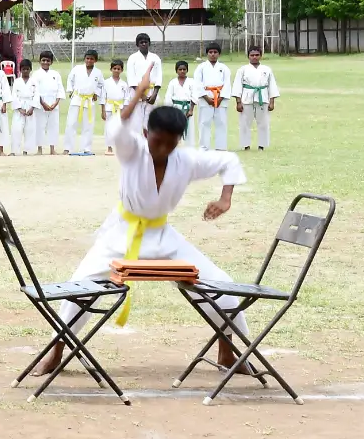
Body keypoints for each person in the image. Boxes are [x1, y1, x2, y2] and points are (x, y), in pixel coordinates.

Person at [34, 64, 248, 376]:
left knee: (223, 287)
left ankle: (227, 350)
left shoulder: (186, 160)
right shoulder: (132, 150)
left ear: (179, 140)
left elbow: (229, 161)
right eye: (157, 141)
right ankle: (57, 350)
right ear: (146, 133)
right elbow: (117, 127)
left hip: (163, 238)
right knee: (76, 288)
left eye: (171, 143)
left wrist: (225, 198)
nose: (163, 149)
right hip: (121, 235)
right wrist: (138, 94)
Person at [232, 46, 280, 150]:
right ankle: (246, 145)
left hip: (262, 97)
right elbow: (237, 86)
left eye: (257, 55)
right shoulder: (242, 70)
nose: (254, 57)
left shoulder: (267, 69)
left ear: (261, 56)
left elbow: (272, 86)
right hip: (247, 98)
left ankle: (262, 145)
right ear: (248, 56)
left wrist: (272, 101)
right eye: (252, 55)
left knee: (263, 123)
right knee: (245, 123)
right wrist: (238, 102)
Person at [65, 50, 105, 156]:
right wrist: (70, 90)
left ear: (95, 60)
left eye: (92, 59)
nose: (89, 60)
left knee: (88, 125)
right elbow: (70, 79)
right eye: (87, 58)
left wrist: (96, 93)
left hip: (89, 100)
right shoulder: (77, 69)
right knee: (71, 123)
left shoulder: (98, 72)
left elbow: (101, 85)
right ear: (84, 59)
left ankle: (86, 148)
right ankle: (68, 148)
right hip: (77, 98)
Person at [123, 32, 163, 135]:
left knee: (150, 123)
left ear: (149, 43)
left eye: (146, 42)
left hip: (152, 93)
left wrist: (154, 94)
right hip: (136, 93)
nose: (144, 44)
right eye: (141, 42)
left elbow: (159, 76)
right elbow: (131, 78)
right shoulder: (133, 58)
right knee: (136, 123)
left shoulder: (155, 58)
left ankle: (148, 144)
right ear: (137, 44)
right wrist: (141, 95)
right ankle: (136, 144)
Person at [194, 42, 231, 151]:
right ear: (207, 54)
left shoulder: (224, 68)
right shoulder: (201, 67)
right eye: (210, 52)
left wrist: (220, 98)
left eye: (215, 52)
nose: (213, 54)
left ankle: (221, 147)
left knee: (221, 123)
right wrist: (206, 98)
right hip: (205, 98)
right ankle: (204, 147)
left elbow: (227, 84)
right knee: (204, 123)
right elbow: (198, 83)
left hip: (220, 98)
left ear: (219, 54)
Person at [35, 51, 65, 155]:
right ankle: (39, 149)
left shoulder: (55, 74)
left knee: (53, 126)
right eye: (43, 60)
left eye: (48, 61)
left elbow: (60, 90)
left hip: (53, 104)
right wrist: (42, 103)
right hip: (40, 105)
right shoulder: (36, 74)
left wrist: (56, 103)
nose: (45, 62)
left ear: (51, 62)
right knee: (39, 126)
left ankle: (52, 149)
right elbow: (35, 91)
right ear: (39, 61)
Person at [163, 59, 197, 146]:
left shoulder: (191, 82)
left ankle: (190, 149)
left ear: (187, 70)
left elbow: (195, 96)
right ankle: (175, 148)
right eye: (180, 69)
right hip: (176, 107)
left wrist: (191, 110)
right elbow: (168, 97)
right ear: (176, 70)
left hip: (187, 107)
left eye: (184, 69)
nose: (182, 71)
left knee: (189, 130)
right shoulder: (173, 82)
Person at [102, 59, 133, 154]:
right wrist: (103, 110)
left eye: (118, 69)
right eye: (114, 68)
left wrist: (125, 109)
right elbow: (103, 97)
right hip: (109, 107)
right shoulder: (106, 82)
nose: (116, 70)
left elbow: (127, 98)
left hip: (120, 107)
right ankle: (109, 146)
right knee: (108, 127)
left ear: (121, 70)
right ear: (111, 69)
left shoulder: (124, 84)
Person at [10, 59, 39, 156]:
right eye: (23, 69)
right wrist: (19, 108)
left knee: (30, 128)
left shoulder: (34, 81)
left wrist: (32, 108)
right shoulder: (17, 81)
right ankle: (14, 150)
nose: (25, 71)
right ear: (20, 70)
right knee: (16, 128)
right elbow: (14, 95)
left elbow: (37, 95)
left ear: (30, 69)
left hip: (30, 105)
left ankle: (27, 150)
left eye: (27, 69)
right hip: (20, 105)